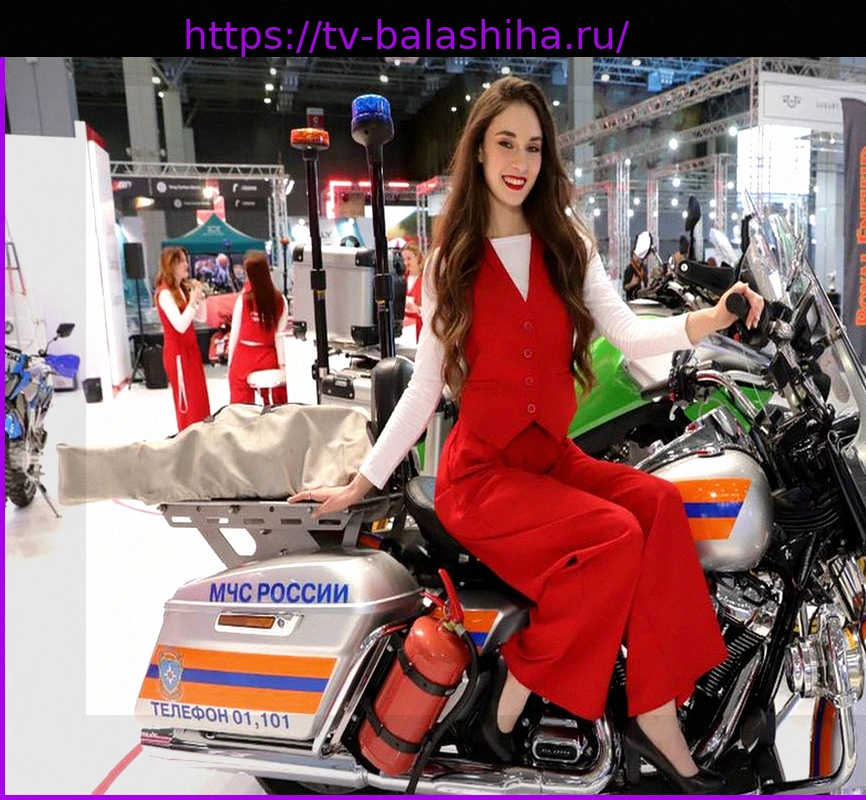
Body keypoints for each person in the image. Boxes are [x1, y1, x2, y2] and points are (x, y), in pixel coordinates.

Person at [289, 77, 765, 793]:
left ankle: (656, 707)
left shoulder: (565, 241)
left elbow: (629, 332)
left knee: (660, 505)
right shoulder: (452, 259)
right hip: (482, 476)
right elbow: (425, 388)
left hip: (550, 459)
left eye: (534, 147)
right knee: (614, 538)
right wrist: (363, 480)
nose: (520, 161)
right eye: (506, 142)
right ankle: (510, 700)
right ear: (479, 151)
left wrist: (710, 321)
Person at [155, 246, 211, 432]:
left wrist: (199, 297)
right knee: (187, 402)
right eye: (182, 261)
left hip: (191, 351)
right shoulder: (165, 294)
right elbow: (180, 325)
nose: (187, 265)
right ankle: (188, 439)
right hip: (178, 354)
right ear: (171, 265)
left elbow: (201, 317)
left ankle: (201, 437)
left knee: (199, 398)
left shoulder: (181, 289)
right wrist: (192, 301)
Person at [227, 251, 288, 406]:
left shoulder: (243, 300)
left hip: (244, 355)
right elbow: (279, 335)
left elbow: (234, 333)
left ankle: (242, 416)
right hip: (268, 355)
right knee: (278, 391)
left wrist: (230, 363)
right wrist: (282, 364)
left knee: (239, 395)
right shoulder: (280, 300)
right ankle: (277, 409)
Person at [402, 241, 426, 341]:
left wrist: (418, 309)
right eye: (403, 259)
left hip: (421, 328)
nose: (406, 263)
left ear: (417, 258)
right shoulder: (402, 279)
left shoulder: (425, 279)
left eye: (409, 258)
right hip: (405, 330)